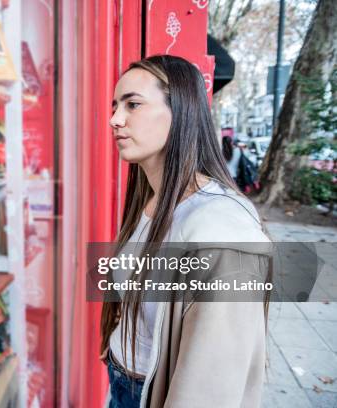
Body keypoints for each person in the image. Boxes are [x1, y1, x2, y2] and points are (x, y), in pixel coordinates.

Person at [104, 55, 272, 408]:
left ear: (181, 110)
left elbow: (212, 382)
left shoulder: (222, 228)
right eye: (116, 106)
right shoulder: (151, 200)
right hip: (124, 382)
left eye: (133, 104)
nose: (115, 120)